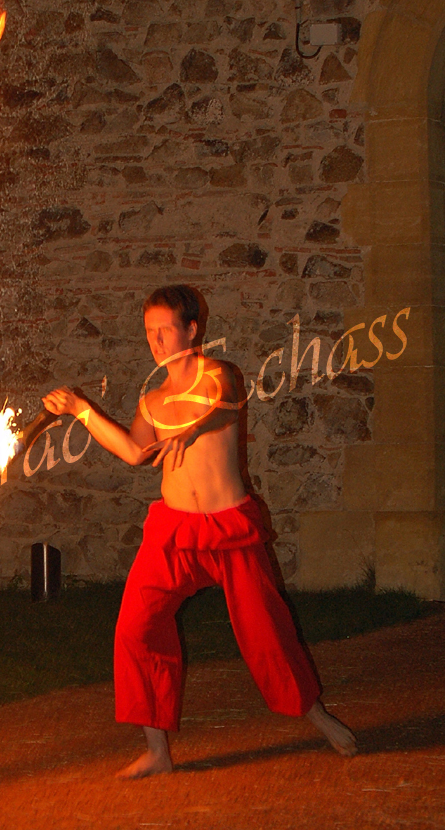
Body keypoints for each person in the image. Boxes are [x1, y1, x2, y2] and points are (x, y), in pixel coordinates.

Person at [42, 284, 357, 777]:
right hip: (173, 531)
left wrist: (191, 430)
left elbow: (224, 409)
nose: (156, 341)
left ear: (192, 329)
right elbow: (133, 452)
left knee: (266, 632)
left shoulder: (218, 375)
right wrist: (82, 409)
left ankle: (317, 716)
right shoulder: (153, 400)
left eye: (165, 330)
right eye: (149, 331)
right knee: (135, 629)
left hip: (228, 528)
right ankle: (157, 750)